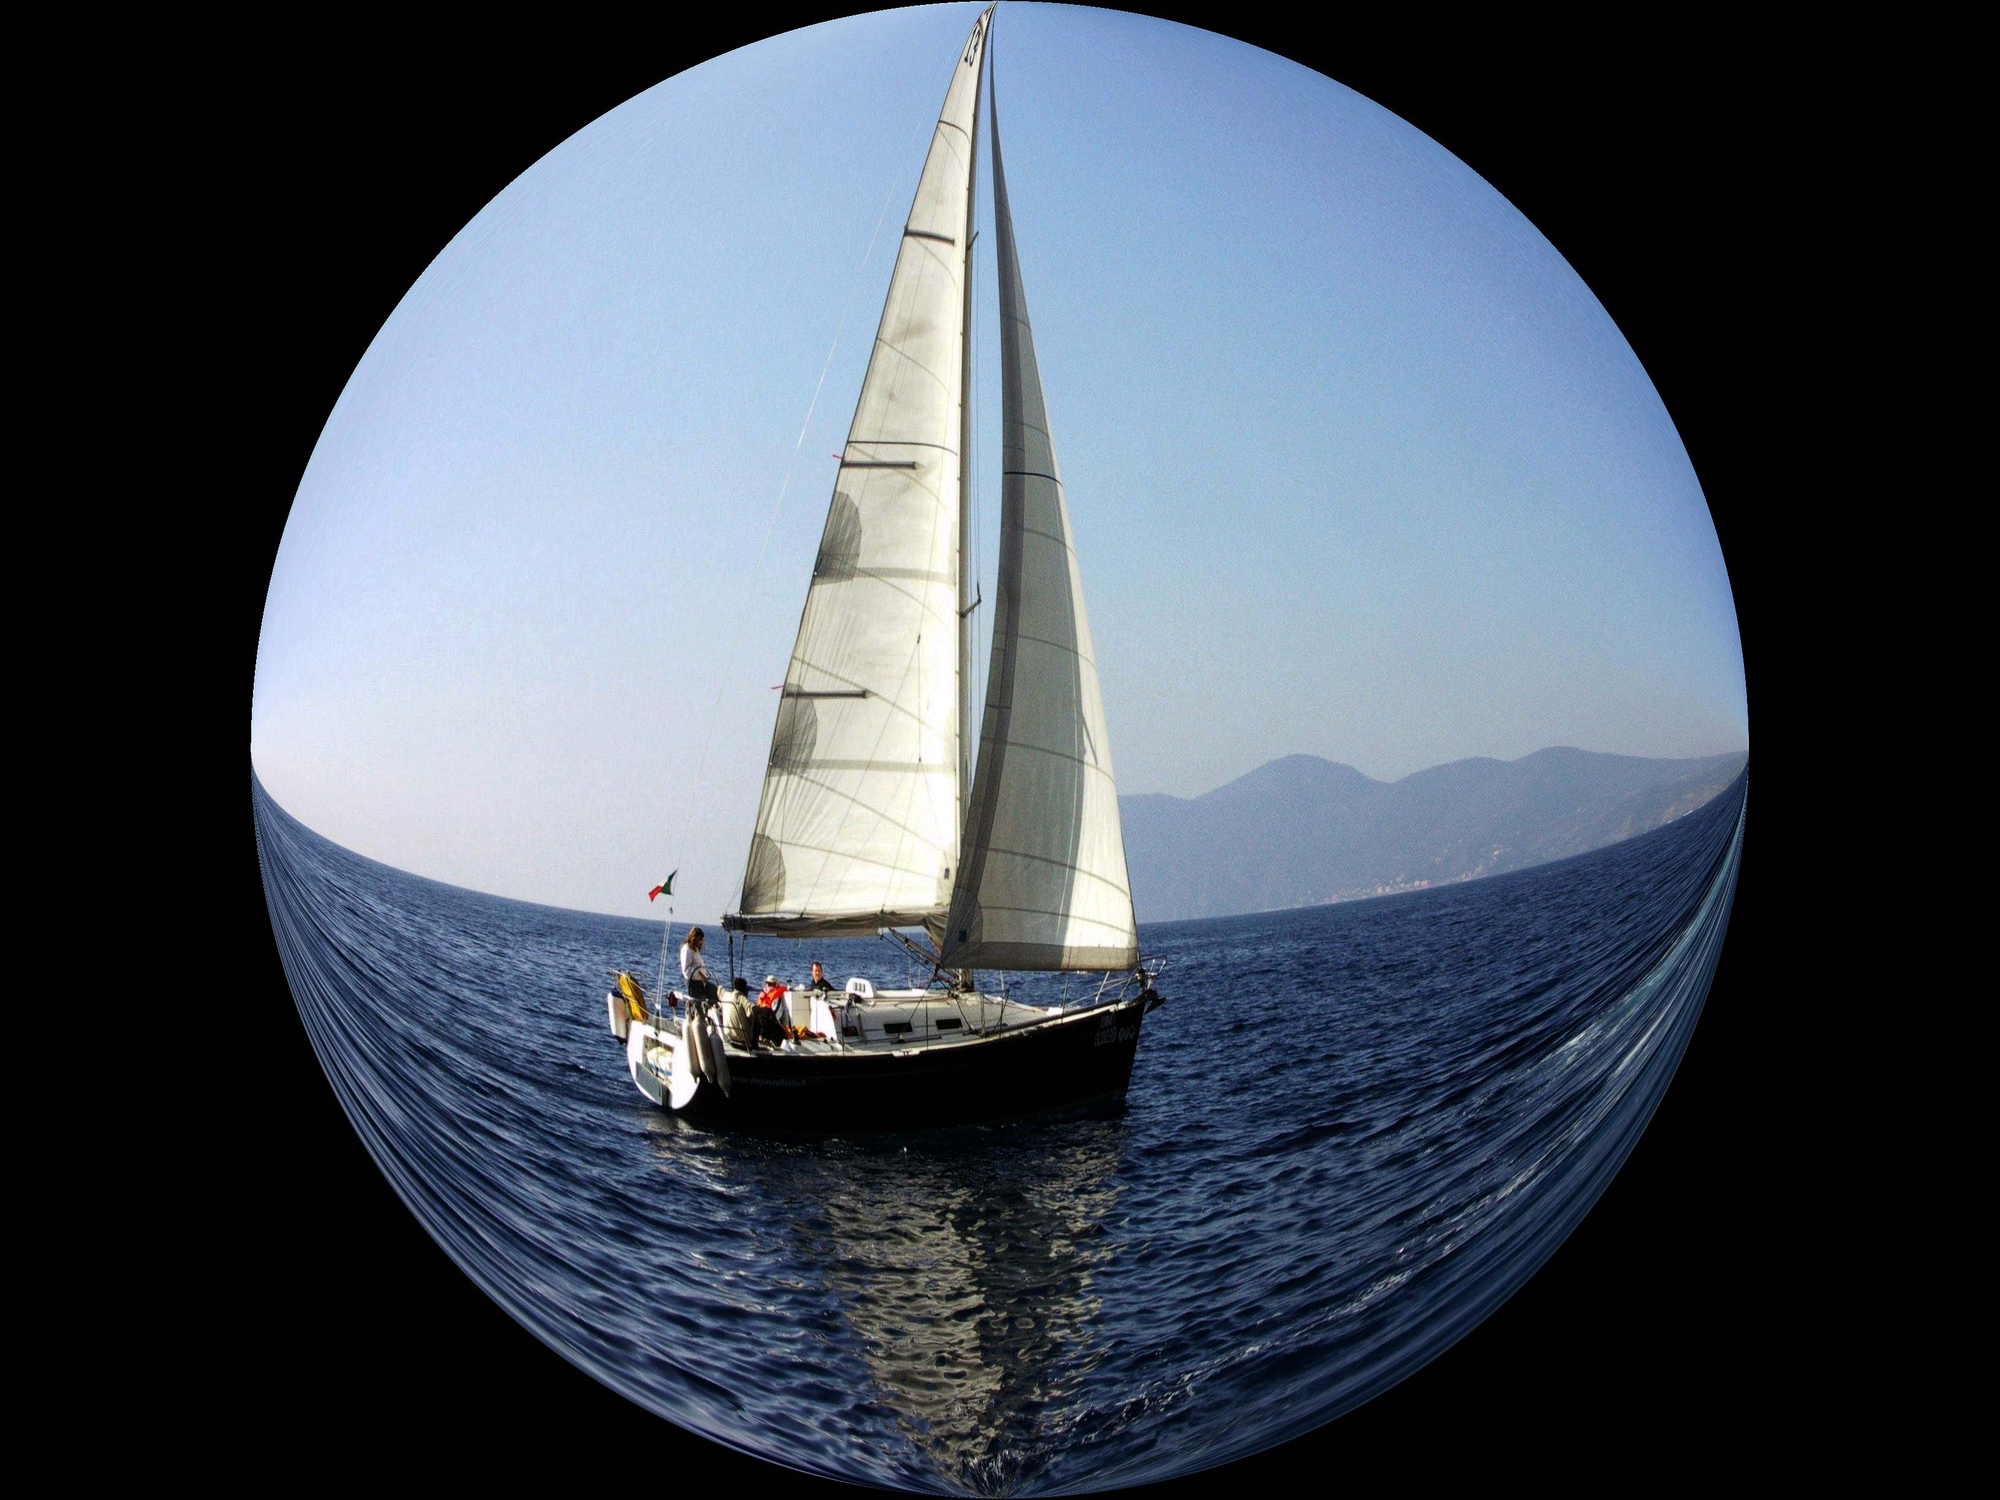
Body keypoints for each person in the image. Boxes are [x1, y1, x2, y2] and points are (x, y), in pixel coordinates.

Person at [747, 973, 790, 1049]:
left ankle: (764, 1039)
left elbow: (776, 1014)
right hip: (762, 1022)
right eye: (767, 983)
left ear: (775, 985)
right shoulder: (764, 995)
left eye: (770, 984)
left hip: (770, 1023)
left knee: (762, 1017)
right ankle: (755, 1038)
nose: (768, 986)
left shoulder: (776, 997)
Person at [679, 927, 719, 1005]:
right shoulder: (687, 949)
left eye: (702, 940)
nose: (701, 942)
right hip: (693, 983)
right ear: (694, 938)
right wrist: (700, 974)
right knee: (696, 1004)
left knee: (715, 992)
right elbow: (686, 970)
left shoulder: (695, 949)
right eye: (700, 939)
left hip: (701, 982)